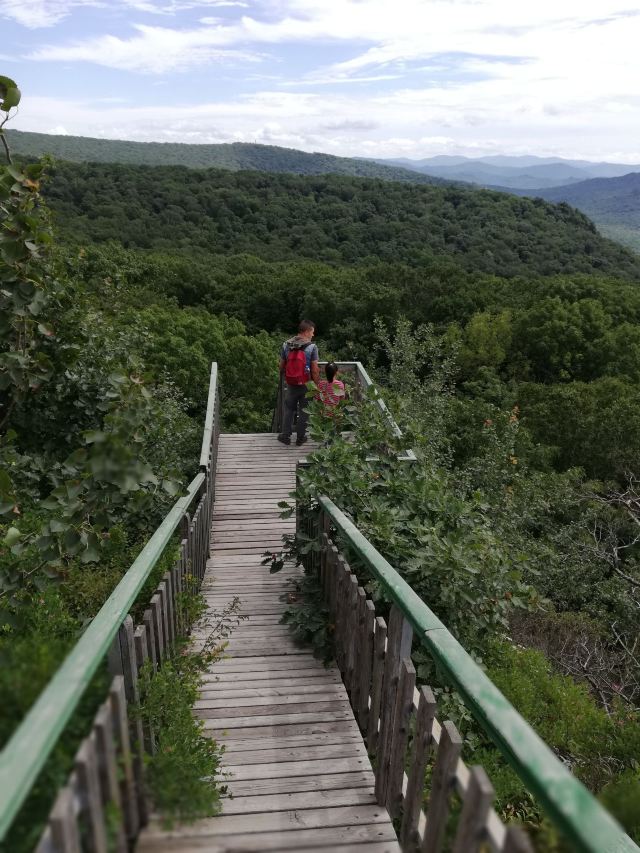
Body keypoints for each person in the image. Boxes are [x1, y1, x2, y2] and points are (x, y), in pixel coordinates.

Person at [278, 320, 319, 446]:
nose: (313, 335)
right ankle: (300, 438)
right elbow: (315, 369)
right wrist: (316, 385)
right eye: (312, 332)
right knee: (304, 411)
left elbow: (281, 366)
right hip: (306, 384)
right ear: (306, 331)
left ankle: (285, 436)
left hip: (291, 383)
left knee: (289, 409)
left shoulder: (286, 344)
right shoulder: (312, 347)